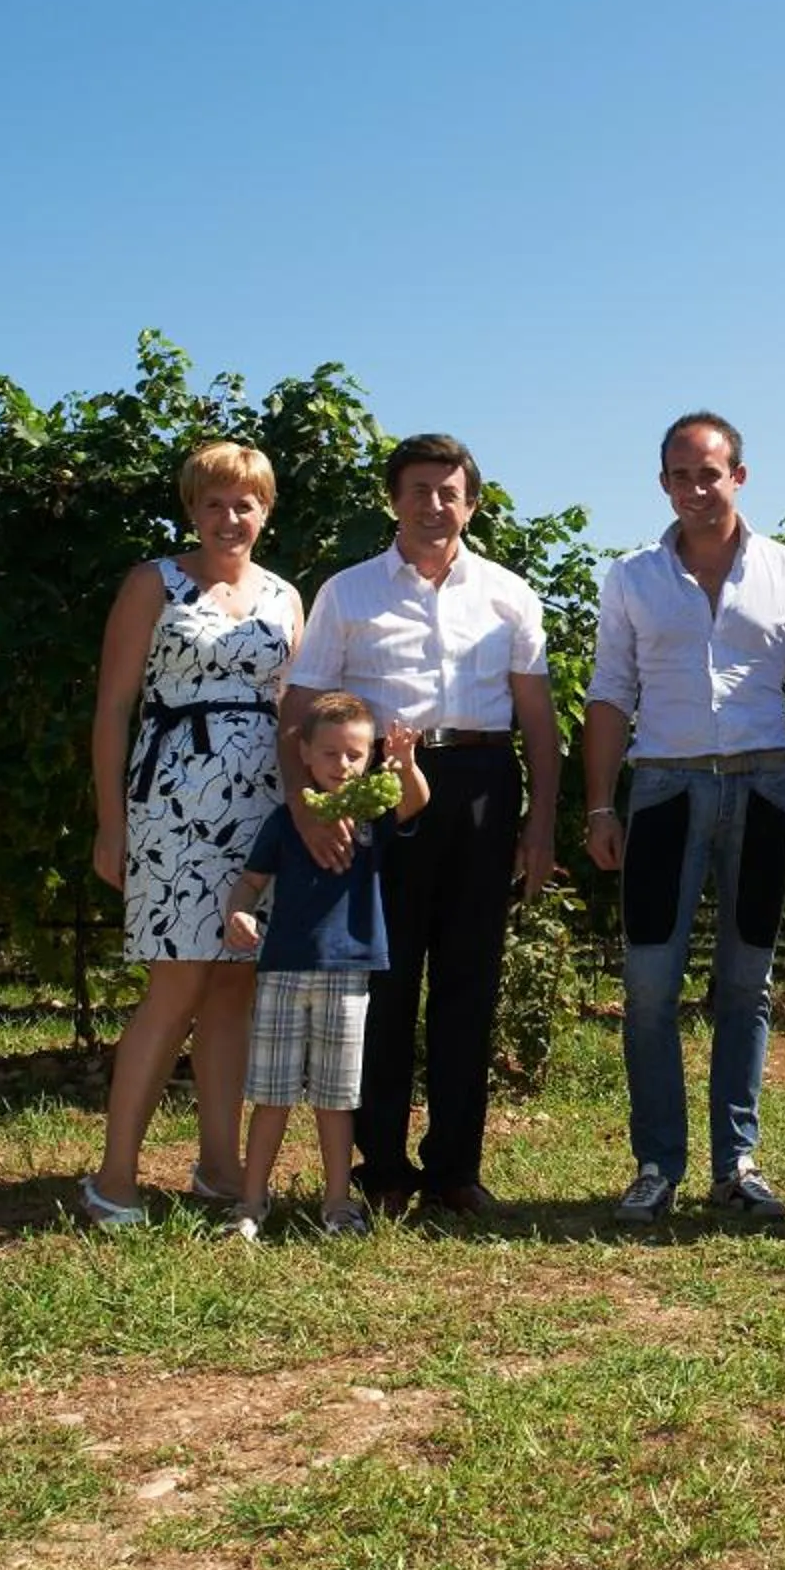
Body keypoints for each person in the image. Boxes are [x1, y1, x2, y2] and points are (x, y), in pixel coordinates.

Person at [278, 433, 560, 1218]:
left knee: (471, 979)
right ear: (393, 500)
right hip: (381, 790)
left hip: (480, 784)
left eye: (448, 492)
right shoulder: (349, 593)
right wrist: (305, 806)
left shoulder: (509, 594)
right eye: (418, 491)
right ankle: (383, 1168)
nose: (434, 505)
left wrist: (540, 825)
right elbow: (298, 708)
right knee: (384, 980)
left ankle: (455, 1171)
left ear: (472, 503)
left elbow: (538, 720)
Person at [582, 412, 785, 1223]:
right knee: (649, 986)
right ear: (663, 483)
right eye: (680, 475)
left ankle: (736, 1164)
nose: (696, 488)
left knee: (747, 983)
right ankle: (656, 1165)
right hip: (664, 788)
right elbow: (609, 690)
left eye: (710, 472)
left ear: (739, 475)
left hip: (766, 787)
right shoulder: (631, 577)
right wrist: (600, 804)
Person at [82, 440, 305, 1228]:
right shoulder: (154, 583)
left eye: (245, 503)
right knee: (175, 984)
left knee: (236, 985)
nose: (229, 518)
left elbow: (295, 712)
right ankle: (114, 1177)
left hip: (262, 807)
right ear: (192, 509)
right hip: (173, 803)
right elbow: (114, 708)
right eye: (214, 503)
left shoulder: (286, 596)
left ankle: (219, 1166)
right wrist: (111, 822)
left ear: (265, 511)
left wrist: (306, 815)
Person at [219, 691, 429, 1236]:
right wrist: (238, 913)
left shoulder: (372, 815)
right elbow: (251, 882)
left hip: (349, 973)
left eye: (355, 754)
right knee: (271, 1095)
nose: (342, 764)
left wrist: (405, 763)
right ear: (305, 754)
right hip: (283, 970)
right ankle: (251, 1202)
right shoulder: (285, 821)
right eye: (330, 753)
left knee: (338, 1099)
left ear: (370, 757)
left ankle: (337, 1202)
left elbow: (415, 800)